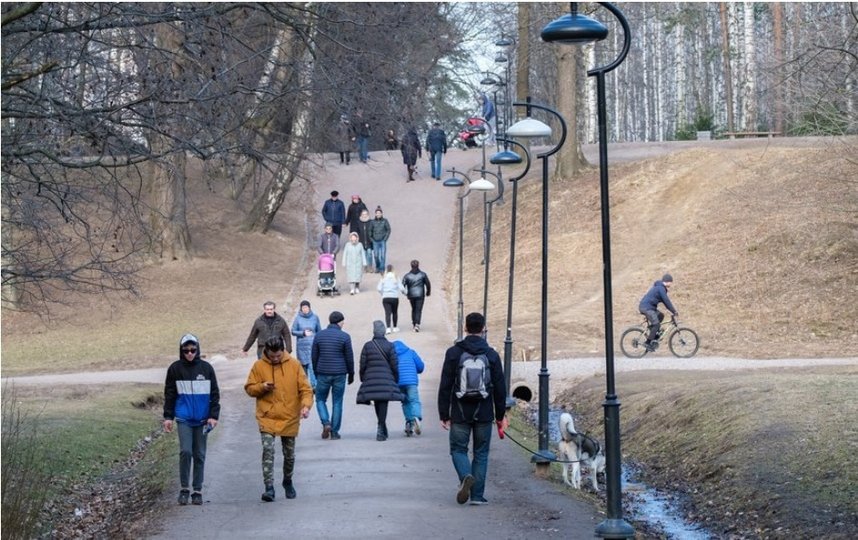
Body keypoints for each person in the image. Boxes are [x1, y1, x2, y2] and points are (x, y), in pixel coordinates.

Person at [437, 312, 508, 506]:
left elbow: (445, 384)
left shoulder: (453, 353)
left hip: (460, 411)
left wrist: (444, 413)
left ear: (465, 328)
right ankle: (477, 496)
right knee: (481, 452)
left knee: (458, 449)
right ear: (483, 329)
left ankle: (465, 475)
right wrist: (500, 415)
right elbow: (500, 388)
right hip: (484, 412)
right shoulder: (491, 355)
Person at [244, 336, 313, 502]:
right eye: (272, 356)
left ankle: (287, 481)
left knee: (289, 454)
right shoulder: (259, 366)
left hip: (289, 415)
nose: (275, 359)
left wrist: (305, 406)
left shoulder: (294, 365)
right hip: (267, 416)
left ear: (283, 351)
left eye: (278, 356)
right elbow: (249, 388)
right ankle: (269, 488)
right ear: (266, 352)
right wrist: (262, 387)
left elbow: (306, 390)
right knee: (268, 451)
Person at [163, 333, 221, 506]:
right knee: (186, 451)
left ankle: (197, 490)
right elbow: (170, 394)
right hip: (184, 418)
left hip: (203, 419)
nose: (189, 353)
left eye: (193, 350)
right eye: (186, 350)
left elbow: (214, 394)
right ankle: (184, 488)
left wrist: (213, 415)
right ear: (181, 351)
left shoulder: (207, 368)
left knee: (199, 454)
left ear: (197, 350)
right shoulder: (174, 369)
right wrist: (168, 417)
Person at [356, 321, 403, 441]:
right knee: (383, 402)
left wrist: (363, 378)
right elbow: (394, 364)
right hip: (386, 378)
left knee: (378, 402)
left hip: (371, 378)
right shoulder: (390, 346)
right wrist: (395, 379)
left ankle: (382, 426)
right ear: (383, 332)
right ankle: (381, 427)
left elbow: (363, 364)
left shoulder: (368, 345)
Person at [311, 311, 355, 440]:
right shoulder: (345, 337)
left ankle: (326, 422)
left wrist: (316, 372)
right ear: (340, 322)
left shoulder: (319, 335)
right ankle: (335, 432)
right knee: (337, 401)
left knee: (320, 399)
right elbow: (349, 357)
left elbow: (314, 356)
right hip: (340, 373)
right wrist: (351, 373)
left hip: (323, 372)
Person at [639, 273, 679, 351]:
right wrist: (674, 311)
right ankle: (647, 343)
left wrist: (672, 310)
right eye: (671, 282)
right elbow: (666, 301)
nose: (671, 284)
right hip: (646, 308)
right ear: (668, 281)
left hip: (649, 307)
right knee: (656, 324)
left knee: (661, 316)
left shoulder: (660, 288)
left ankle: (653, 332)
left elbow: (665, 302)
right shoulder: (661, 288)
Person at [394, 339, 424, 437]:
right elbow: (420, 366)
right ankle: (416, 417)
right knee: (414, 400)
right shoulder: (410, 352)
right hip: (411, 382)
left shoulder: (392, 355)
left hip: (399, 382)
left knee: (405, 402)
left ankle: (409, 422)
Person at [291, 300, 322, 387]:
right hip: (302, 347)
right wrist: (303, 333)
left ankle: (314, 385)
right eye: (303, 307)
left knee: (313, 366)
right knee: (303, 367)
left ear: (309, 307)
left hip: (313, 345)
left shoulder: (315, 317)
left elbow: (319, 331)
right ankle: (304, 386)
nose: (305, 309)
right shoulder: (298, 318)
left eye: (306, 307)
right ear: (301, 308)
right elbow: (293, 331)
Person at [401, 259, 431, 332]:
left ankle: (414, 323)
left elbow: (402, 286)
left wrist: (406, 293)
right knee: (418, 309)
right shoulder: (423, 274)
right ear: (418, 265)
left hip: (411, 295)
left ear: (411, 266)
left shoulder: (407, 276)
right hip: (420, 294)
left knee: (413, 309)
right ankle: (417, 324)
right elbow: (428, 284)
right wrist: (428, 292)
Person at [378, 264, 405, 334]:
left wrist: (382, 293)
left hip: (386, 297)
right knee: (395, 312)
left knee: (387, 313)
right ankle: (395, 327)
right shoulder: (396, 277)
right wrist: (405, 292)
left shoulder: (383, 278)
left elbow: (379, 288)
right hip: (394, 297)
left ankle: (388, 328)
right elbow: (401, 288)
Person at [369, 206, 391, 273]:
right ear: (375, 214)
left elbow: (388, 230)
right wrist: (371, 239)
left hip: (382, 241)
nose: (378, 214)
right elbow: (370, 231)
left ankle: (382, 268)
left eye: (379, 213)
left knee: (382, 255)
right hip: (375, 241)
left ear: (381, 214)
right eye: (377, 213)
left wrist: (385, 238)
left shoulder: (385, 221)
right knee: (376, 255)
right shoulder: (372, 222)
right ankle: (377, 267)